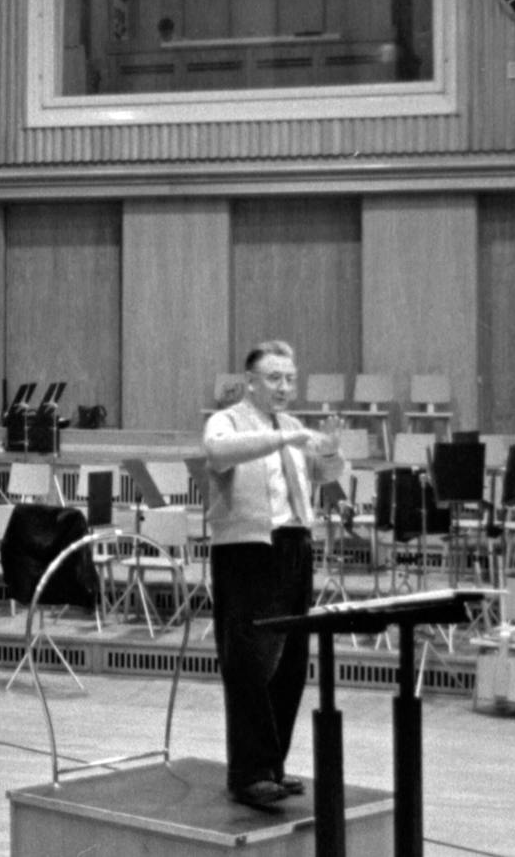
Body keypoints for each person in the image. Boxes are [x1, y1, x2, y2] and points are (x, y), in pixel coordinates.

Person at [201, 340, 346, 811]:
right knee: (248, 664)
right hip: (246, 549)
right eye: (275, 378)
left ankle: (273, 766)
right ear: (251, 382)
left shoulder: (292, 426)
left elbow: (323, 477)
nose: (285, 387)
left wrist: (331, 452)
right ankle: (248, 772)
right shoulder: (226, 420)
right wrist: (285, 438)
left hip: (293, 545)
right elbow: (218, 452)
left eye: (290, 378)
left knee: (287, 665)